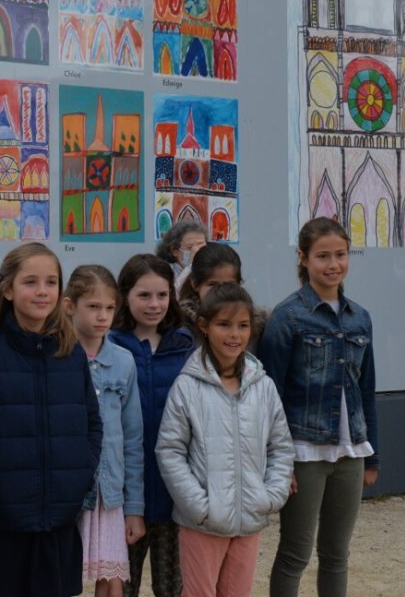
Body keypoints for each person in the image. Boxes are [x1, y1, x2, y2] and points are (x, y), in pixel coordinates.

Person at [0, 243, 102, 597]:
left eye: (51, 282)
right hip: (3, 520)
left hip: (59, 518)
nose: (42, 291)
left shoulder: (71, 353)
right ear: (7, 290)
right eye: (30, 282)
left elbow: (92, 424)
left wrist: (80, 474)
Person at [259, 218, 379, 597]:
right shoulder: (287, 316)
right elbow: (270, 393)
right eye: (323, 256)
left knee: (337, 554)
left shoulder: (360, 317)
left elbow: (367, 390)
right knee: (295, 552)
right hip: (302, 451)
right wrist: (276, 460)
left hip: (350, 451)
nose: (333, 264)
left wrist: (372, 456)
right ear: (303, 258)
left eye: (340, 255)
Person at [156, 284, 294, 597]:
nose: (234, 335)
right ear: (204, 326)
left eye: (242, 326)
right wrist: (199, 507)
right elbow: (170, 451)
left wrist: (269, 497)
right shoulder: (187, 387)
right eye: (224, 325)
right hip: (203, 523)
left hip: (249, 520)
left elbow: (281, 447)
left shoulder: (263, 385)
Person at [108, 253, 193, 597]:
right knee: (120, 588)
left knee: (172, 588)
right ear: (124, 296)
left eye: (162, 295)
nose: (154, 304)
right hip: (125, 494)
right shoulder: (110, 345)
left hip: (175, 491)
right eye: (144, 295)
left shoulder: (185, 345)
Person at [64, 265, 145, 597]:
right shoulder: (58, 356)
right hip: (68, 490)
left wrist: (134, 507)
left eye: (109, 308)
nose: (103, 316)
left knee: (111, 582)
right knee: (63, 574)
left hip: (109, 492)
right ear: (70, 306)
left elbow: (133, 438)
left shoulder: (124, 362)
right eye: (93, 307)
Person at [177, 243, 244, 325]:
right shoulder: (181, 327)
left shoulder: (254, 327)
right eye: (213, 285)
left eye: (228, 285)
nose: (221, 293)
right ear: (195, 283)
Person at [155, 220, 208, 288]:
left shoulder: (210, 269)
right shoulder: (162, 271)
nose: (196, 251)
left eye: (201, 247)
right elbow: (173, 294)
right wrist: (190, 266)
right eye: (190, 247)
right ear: (174, 251)